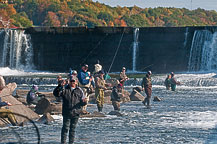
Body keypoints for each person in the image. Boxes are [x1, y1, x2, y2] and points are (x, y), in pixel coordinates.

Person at [53, 76, 87, 144]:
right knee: (65, 128)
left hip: (76, 113)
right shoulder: (64, 89)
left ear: (76, 82)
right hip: (66, 112)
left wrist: (84, 102)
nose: (72, 82)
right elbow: (56, 94)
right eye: (71, 81)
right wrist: (59, 85)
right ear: (69, 82)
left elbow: (83, 102)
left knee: (73, 129)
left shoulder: (80, 90)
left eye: (74, 81)